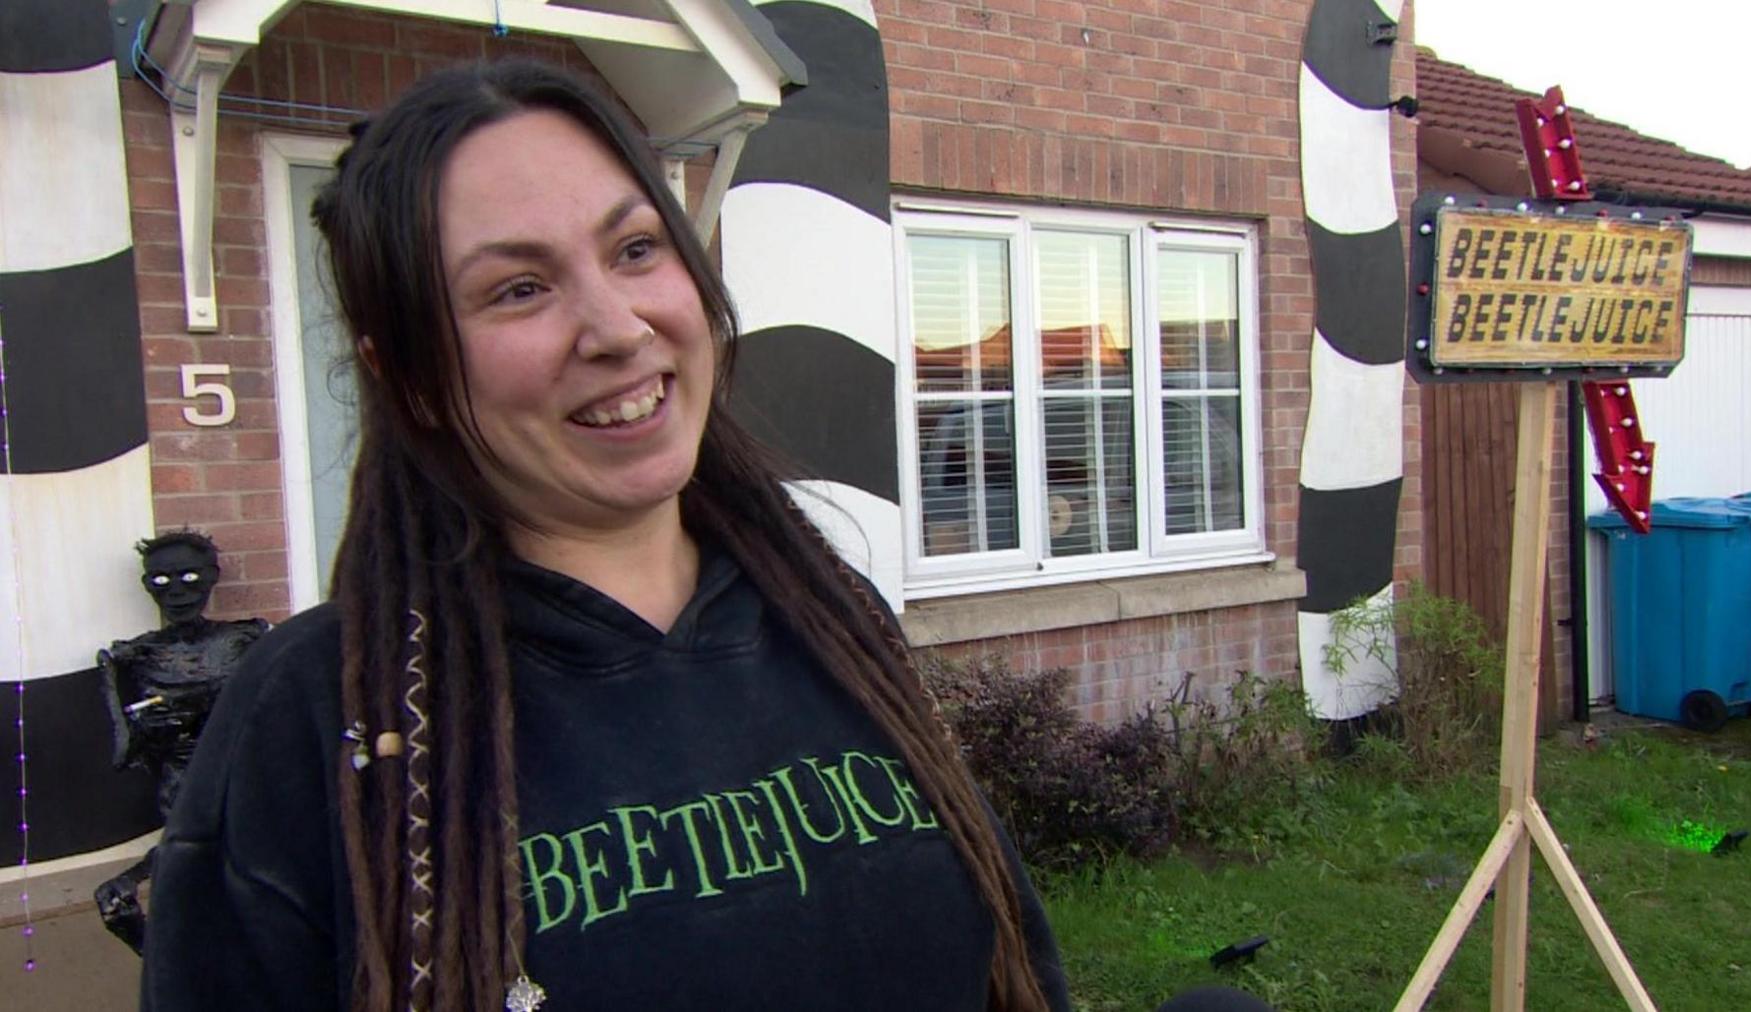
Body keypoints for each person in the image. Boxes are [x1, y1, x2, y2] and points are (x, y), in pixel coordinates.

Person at [141, 60, 1070, 1012]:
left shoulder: (835, 618)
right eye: (518, 289)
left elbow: (1016, 964)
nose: (618, 329)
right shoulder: (316, 719)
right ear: (409, 374)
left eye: (633, 249)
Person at [95, 530, 269, 953]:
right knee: (118, 901)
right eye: (161, 581)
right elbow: (125, 754)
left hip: (248, 800)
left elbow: (274, 719)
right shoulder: (131, 658)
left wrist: (205, 707)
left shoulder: (249, 640)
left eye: (189, 578)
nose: (175, 592)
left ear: (212, 578)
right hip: (186, 808)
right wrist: (150, 730)